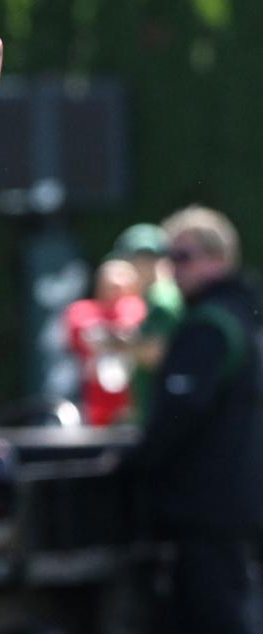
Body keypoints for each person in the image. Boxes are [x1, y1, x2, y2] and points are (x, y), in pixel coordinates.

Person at [132, 205, 262, 634]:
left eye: (183, 257)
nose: (172, 268)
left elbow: (177, 417)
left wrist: (133, 464)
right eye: (170, 258)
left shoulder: (210, 326)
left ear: (218, 258)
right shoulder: (244, 316)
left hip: (208, 511)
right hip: (237, 504)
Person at [110, 223, 183, 422]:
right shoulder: (156, 298)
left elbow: (158, 353)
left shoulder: (163, 300)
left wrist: (112, 342)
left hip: (166, 414)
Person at [63, 258, 146, 425]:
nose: (116, 289)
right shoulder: (81, 310)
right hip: (94, 402)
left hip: (135, 400)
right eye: (111, 283)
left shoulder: (138, 306)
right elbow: (84, 335)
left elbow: (128, 327)